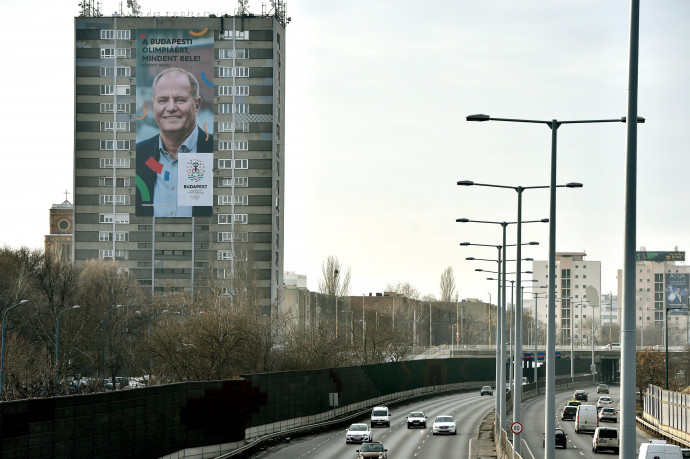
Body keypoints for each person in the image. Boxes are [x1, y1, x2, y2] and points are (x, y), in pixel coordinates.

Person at [136, 67, 213, 217]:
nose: (171, 107)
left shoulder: (218, 152)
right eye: (163, 100)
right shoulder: (138, 156)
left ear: (197, 105)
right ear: (154, 105)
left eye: (180, 99)